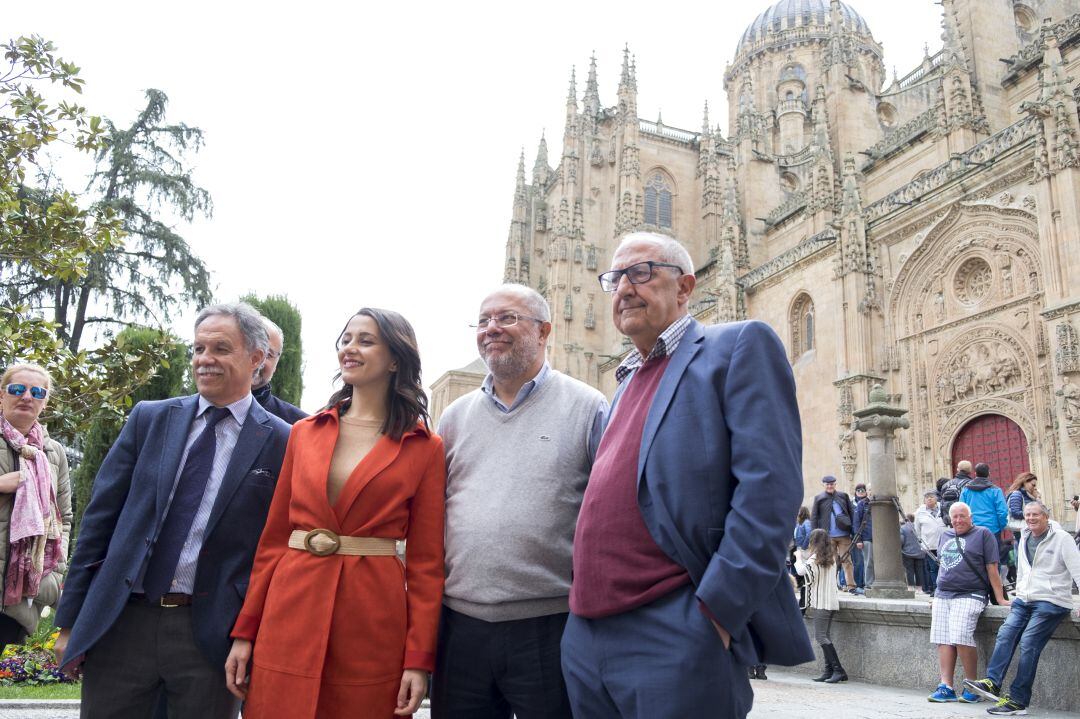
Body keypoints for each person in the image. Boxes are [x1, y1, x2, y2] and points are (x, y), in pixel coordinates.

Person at [562, 232, 812, 719]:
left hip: (674, 627)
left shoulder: (737, 345)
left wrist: (715, 615)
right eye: (615, 278)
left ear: (684, 288)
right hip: (588, 634)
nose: (624, 288)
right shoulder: (623, 385)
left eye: (642, 272)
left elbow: (770, 490)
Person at [52, 303, 291, 719]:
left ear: (256, 358)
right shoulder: (149, 419)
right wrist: (70, 619)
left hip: (210, 634)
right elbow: (99, 523)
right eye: (198, 348)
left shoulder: (283, 441)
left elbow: (274, 553)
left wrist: (249, 635)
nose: (205, 359)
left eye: (220, 348)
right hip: (123, 622)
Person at [225, 308, 445, 718]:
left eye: (366, 340)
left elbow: (427, 564)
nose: (350, 348)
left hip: (371, 619)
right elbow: (272, 541)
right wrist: (246, 632)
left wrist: (417, 659)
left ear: (395, 359)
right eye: (346, 339)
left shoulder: (425, 447)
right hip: (289, 611)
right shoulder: (306, 434)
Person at [432, 285, 606, 719]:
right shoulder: (454, 417)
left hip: (549, 627)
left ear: (544, 330)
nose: (492, 329)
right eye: (484, 320)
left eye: (507, 318)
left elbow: (608, 516)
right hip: (461, 627)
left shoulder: (588, 407)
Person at [964, 500, 1080, 715]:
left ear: (1046, 516)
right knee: (1006, 633)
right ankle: (992, 683)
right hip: (1024, 599)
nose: (1031, 518)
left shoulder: (1062, 538)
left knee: (1028, 642)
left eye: (1036, 514)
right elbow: (1024, 571)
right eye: (1027, 515)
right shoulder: (1024, 535)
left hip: (1051, 600)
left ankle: (1018, 700)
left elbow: (1078, 569)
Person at [0, 363, 72, 649]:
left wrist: (55, 563)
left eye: (37, 391)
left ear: (44, 402)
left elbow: (64, 516)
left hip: (17, 596)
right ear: (2, 395)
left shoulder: (53, 453)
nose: (26, 396)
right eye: (17, 389)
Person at [927, 502, 1009, 704]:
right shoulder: (945, 535)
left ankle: (972, 685)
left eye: (962, 516)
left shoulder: (983, 534)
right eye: (954, 517)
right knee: (943, 638)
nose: (958, 520)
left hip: (970, 594)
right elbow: (943, 566)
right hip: (943, 594)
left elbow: (992, 567)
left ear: (970, 517)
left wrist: (1000, 599)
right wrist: (936, 594)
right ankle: (946, 685)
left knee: (961, 635)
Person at [795, 528, 845, 684]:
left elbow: (801, 571)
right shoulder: (831, 557)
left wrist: (797, 557)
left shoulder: (815, 558)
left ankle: (838, 670)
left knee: (821, 636)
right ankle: (828, 670)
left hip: (821, 602)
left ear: (814, 541)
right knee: (825, 636)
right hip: (830, 601)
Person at [251, 316, 308, 425]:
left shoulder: (297, 424)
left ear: (276, 364)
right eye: (250, 348)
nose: (258, 359)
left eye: (268, 354)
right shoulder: (210, 406)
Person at [961, 463, 1011, 580]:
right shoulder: (995, 490)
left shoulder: (966, 490)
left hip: (972, 530)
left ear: (975, 474)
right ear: (989, 474)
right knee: (994, 559)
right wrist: (1001, 526)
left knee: (974, 558)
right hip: (992, 530)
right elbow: (1002, 511)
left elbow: (962, 509)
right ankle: (995, 588)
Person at [811, 476, 856, 590]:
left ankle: (851, 586)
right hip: (827, 536)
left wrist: (854, 531)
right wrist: (815, 535)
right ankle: (831, 586)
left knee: (847, 561)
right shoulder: (819, 498)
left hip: (844, 535)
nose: (830, 486)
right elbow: (814, 517)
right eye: (827, 484)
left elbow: (852, 514)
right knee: (830, 562)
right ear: (824, 485)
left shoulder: (843, 496)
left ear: (835, 484)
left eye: (832, 484)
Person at [914, 489, 946, 593]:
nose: (929, 498)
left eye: (931, 496)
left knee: (945, 566)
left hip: (944, 543)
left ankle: (946, 587)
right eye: (927, 497)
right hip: (929, 545)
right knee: (933, 568)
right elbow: (917, 530)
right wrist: (922, 544)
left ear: (936, 498)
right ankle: (936, 589)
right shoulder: (920, 512)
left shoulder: (944, 507)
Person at [852, 483, 874, 591]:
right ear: (867, 491)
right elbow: (856, 523)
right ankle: (869, 584)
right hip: (867, 537)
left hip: (881, 538)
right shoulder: (862, 504)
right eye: (869, 489)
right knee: (868, 561)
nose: (871, 491)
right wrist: (858, 539)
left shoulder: (879, 503)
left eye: (873, 489)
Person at [940, 460, 974, 527]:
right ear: (970, 471)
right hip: (964, 522)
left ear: (958, 469)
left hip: (950, 521)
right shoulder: (971, 484)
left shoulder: (946, 485)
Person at [900, 513, 926, 592]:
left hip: (907, 552)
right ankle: (919, 589)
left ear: (905, 519)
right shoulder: (918, 527)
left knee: (909, 570)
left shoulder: (903, 528)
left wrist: (901, 548)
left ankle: (911, 587)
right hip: (920, 553)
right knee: (919, 571)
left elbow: (901, 540)